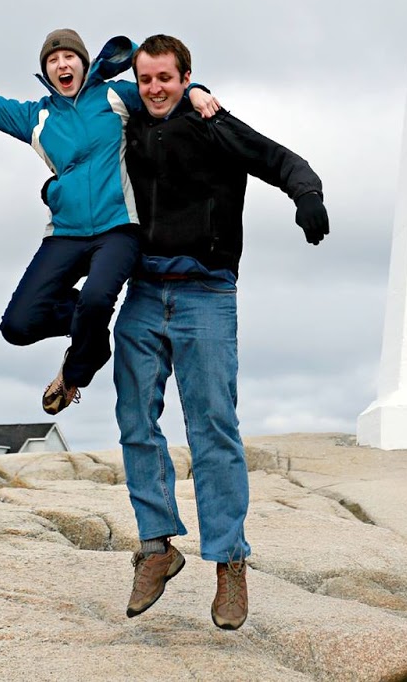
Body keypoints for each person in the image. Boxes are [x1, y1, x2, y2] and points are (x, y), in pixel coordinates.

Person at [113, 33, 328, 631]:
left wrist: (307, 195)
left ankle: (230, 562)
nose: (155, 88)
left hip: (206, 294)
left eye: (166, 78)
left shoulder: (214, 124)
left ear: (186, 78)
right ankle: (156, 548)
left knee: (212, 428)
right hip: (143, 292)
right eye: (146, 79)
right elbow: (78, 127)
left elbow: (282, 160)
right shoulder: (127, 125)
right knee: (134, 419)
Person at [0, 5, 217, 414]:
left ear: (84, 63)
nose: (62, 64)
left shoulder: (113, 96)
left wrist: (197, 90)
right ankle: (92, 337)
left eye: (68, 57)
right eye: (53, 60)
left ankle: (77, 369)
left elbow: (160, 88)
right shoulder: (36, 117)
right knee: (17, 326)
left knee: (96, 300)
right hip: (64, 234)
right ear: (46, 72)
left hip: (119, 229)